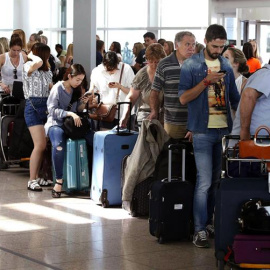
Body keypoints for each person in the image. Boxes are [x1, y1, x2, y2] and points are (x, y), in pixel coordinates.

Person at [178, 24, 240, 248]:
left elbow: (234, 97)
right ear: (206, 41)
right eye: (215, 46)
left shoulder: (225, 63)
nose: (218, 50)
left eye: (222, 47)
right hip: (202, 131)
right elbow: (183, 98)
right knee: (204, 182)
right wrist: (206, 82)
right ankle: (199, 229)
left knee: (215, 181)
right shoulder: (191, 65)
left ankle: (209, 222)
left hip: (223, 131)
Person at [44, 64, 91, 198]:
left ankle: (85, 179)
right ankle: (59, 181)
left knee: (92, 139)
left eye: (81, 80)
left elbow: (77, 110)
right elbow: (51, 110)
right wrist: (69, 114)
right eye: (77, 79)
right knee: (58, 145)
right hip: (56, 123)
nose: (79, 82)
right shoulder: (58, 88)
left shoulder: (76, 90)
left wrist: (83, 103)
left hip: (70, 125)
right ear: (69, 76)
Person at [148, 31, 196, 139]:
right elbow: (155, 90)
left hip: (195, 121)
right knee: (172, 153)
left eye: (193, 44)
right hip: (172, 121)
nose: (191, 48)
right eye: (187, 44)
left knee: (194, 154)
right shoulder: (164, 64)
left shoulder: (199, 64)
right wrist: (154, 111)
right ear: (176, 45)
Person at [23, 43, 53, 191]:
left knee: (44, 146)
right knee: (39, 145)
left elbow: (50, 88)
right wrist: (30, 54)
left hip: (46, 107)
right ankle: (31, 180)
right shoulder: (29, 66)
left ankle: (41, 176)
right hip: (33, 107)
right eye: (46, 54)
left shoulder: (47, 71)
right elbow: (39, 62)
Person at [119, 43, 166, 128]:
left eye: (157, 62)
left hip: (166, 117)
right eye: (151, 61)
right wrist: (125, 116)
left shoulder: (169, 72)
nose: (154, 65)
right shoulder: (142, 74)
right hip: (145, 116)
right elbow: (132, 97)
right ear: (147, 60)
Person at [89, 51, 135, 130]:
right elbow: (92, 89)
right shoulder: (97, 71)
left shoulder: (126, 69)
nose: (111, 71)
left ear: (117, 63)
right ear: (104, 64)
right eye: (108, 69)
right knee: (106, 139)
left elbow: (133, 92)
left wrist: (120, 86)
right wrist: (91, 95)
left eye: (114, 68)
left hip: (123, 112)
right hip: (105, 112)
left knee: (124, 140)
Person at [231, 63, 270, 140]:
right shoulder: (267, 74)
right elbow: (248, 95)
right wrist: (245, 132)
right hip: (253, 142)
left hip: (259, 141)